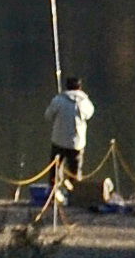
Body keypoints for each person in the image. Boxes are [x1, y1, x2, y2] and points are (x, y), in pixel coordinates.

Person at [40, 73, 95, 210]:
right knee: (75, 171)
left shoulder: (58, 100)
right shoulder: (84, 102)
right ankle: (75, 196)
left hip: (58, 141)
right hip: (76, 143)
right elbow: (89, 114)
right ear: (80, 87)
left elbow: (48, 115)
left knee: (55, 169)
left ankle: (54, 195)